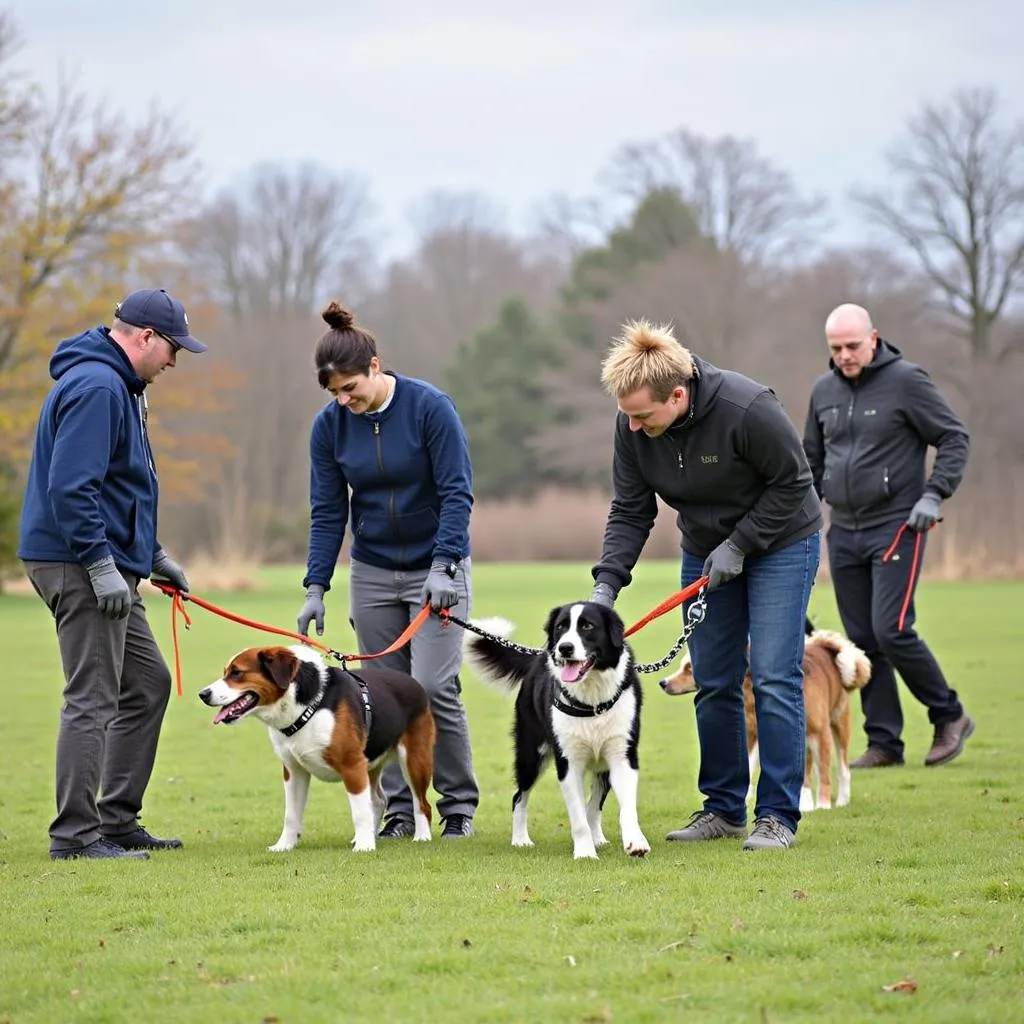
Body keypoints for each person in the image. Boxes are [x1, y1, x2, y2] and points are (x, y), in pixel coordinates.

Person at [589, 319, 822, 851]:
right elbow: (630, 509)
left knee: (771, 675)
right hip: (705, 550)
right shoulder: (632, 426)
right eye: (626, 416)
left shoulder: (747, 409)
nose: (632, 426)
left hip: (782, 543)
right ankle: (723, 809)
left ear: (677, 394)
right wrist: (606, 586)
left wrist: (740, 545)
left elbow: (795, 483)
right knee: (714, 678)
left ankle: (778, 815)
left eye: (643, 416)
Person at [18, 288, 206, 861]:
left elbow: (122, 487)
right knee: (92, 698)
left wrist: (151, 555)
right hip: (78, 562)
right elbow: (73, 489)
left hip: (106, 560)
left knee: (145, 685)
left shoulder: (121, 386)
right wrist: (102, 566)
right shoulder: (99, 387)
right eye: (173, 349)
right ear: (145, 338)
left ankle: (117, 821)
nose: (174, 361)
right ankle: (74, 837)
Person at [297, 301, 479, 839]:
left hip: (437, 570)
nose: (344, 401)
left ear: (375, 367)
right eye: (334, 394)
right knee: (381, 692)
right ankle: (399, 811)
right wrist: (316, 585)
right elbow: (328, 510)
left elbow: (456, 492)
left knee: (431, 686)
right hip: (373, 570)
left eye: (350, 388)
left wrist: (445, 564)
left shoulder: (430, 409)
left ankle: (457, 807)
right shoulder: (329, 428)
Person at [802, 303, 973, 768]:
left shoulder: (907, 382)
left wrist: (934, 494)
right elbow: (810, 463)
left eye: (853, 346)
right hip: (844, 529)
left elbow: (954, 437)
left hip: (898, 524)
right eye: (835, 348)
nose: (844, 355)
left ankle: (950, 715)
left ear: (873, 338)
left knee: (892, 629)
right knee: (861, 638)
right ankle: (884, 743)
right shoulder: (824, 391)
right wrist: (796, 519)